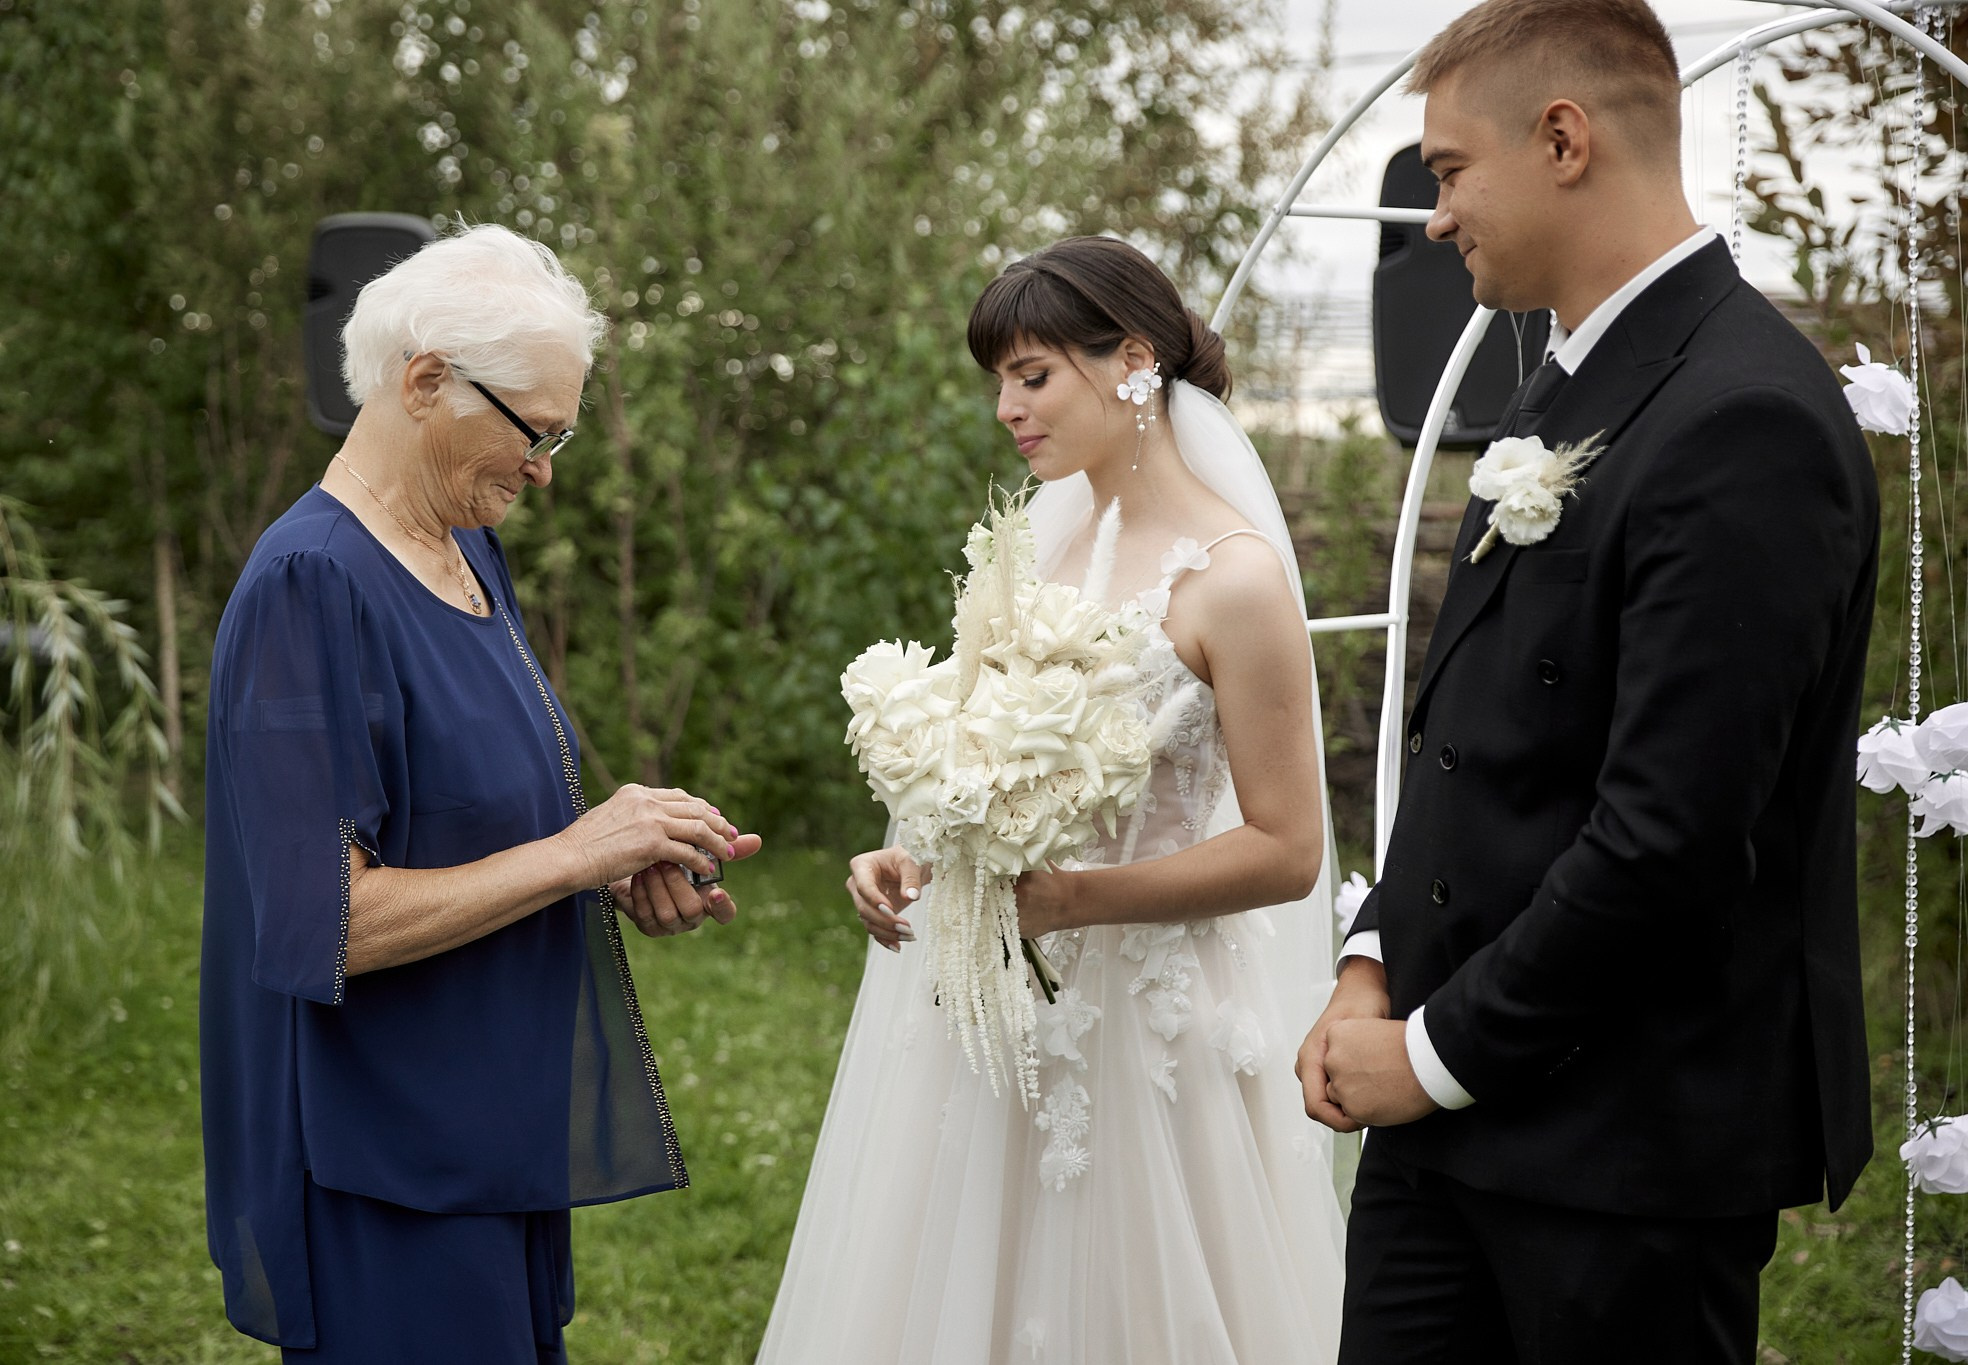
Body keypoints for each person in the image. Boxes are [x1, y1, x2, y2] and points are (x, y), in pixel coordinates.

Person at [1295, 2, 1877, 1360]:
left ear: (1563, 140)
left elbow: (1667, 840)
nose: (1435, 220)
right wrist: (1375, 961)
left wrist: (1430, 1056)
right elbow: (1478, 747)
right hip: (1444, 1131)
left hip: (1621, 1161)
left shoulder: (1747, 419)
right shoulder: (1567, 384)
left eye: (1447, 171)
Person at [757, 235, 1346, 1364]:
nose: (1005, 410)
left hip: (1146, 1024)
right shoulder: (1028, 551)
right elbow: (997, 775)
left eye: (1030, 376)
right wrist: (918, 854)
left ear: (1131, 362)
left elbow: (1285, 849)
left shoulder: (1234, 581)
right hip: (989, 1017)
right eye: (999, 382)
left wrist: (1075, 899)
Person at [199, 223, 760, 1364]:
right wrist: (575, 853)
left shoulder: (465, 549)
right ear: (422, 384)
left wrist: (614, 861)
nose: (547, 466)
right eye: (535, 431)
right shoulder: (311, 585)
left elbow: (472, 818)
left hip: (488, 1120)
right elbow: (331, 922)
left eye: (561, 433)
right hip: (381, 1158)